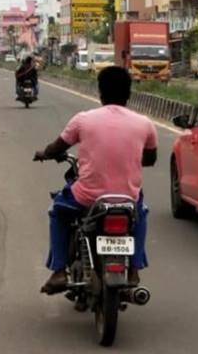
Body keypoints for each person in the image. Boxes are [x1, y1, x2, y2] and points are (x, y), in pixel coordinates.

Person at [33, 66, 157, 293]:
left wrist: (44, 153)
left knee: (58, 211)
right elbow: (150, 159)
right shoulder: (145, 124)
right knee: (141, 212)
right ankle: (134, 268)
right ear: (129, 94)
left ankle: (59, 271)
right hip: (127, 198)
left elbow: (57, 147)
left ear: (100, 93)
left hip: (87, 198)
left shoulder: (83, 120)